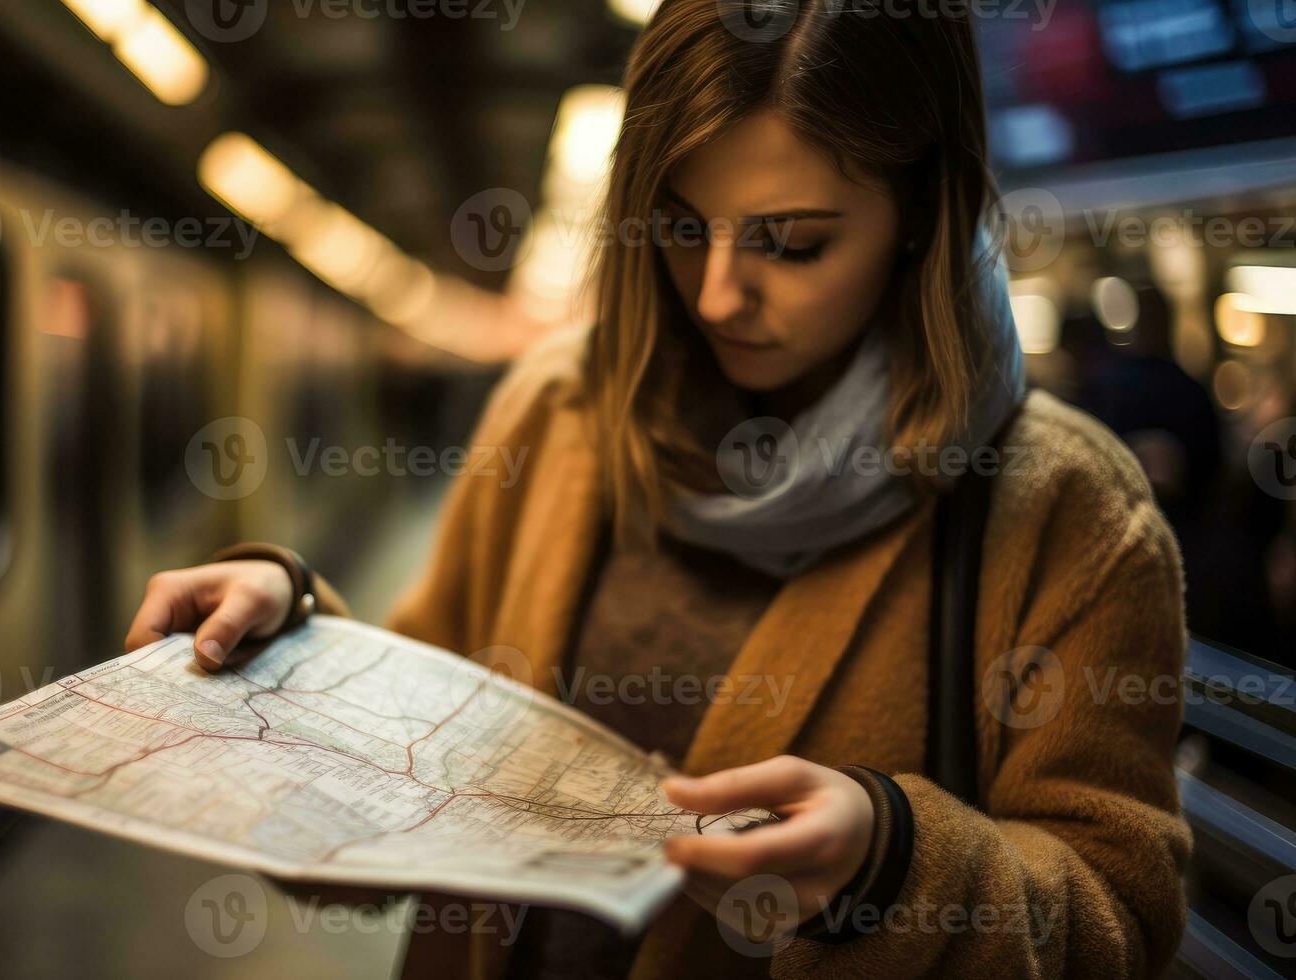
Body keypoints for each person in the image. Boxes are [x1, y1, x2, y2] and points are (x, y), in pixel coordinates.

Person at [124, 2, 1190, 976]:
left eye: (792, 241)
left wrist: (896, 870)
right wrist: (287, 650)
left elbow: (1121, 914)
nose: (721, 294)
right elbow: (421, 734)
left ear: (921, 210)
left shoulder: (1064, 510)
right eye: (683, 228)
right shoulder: (558, 412)